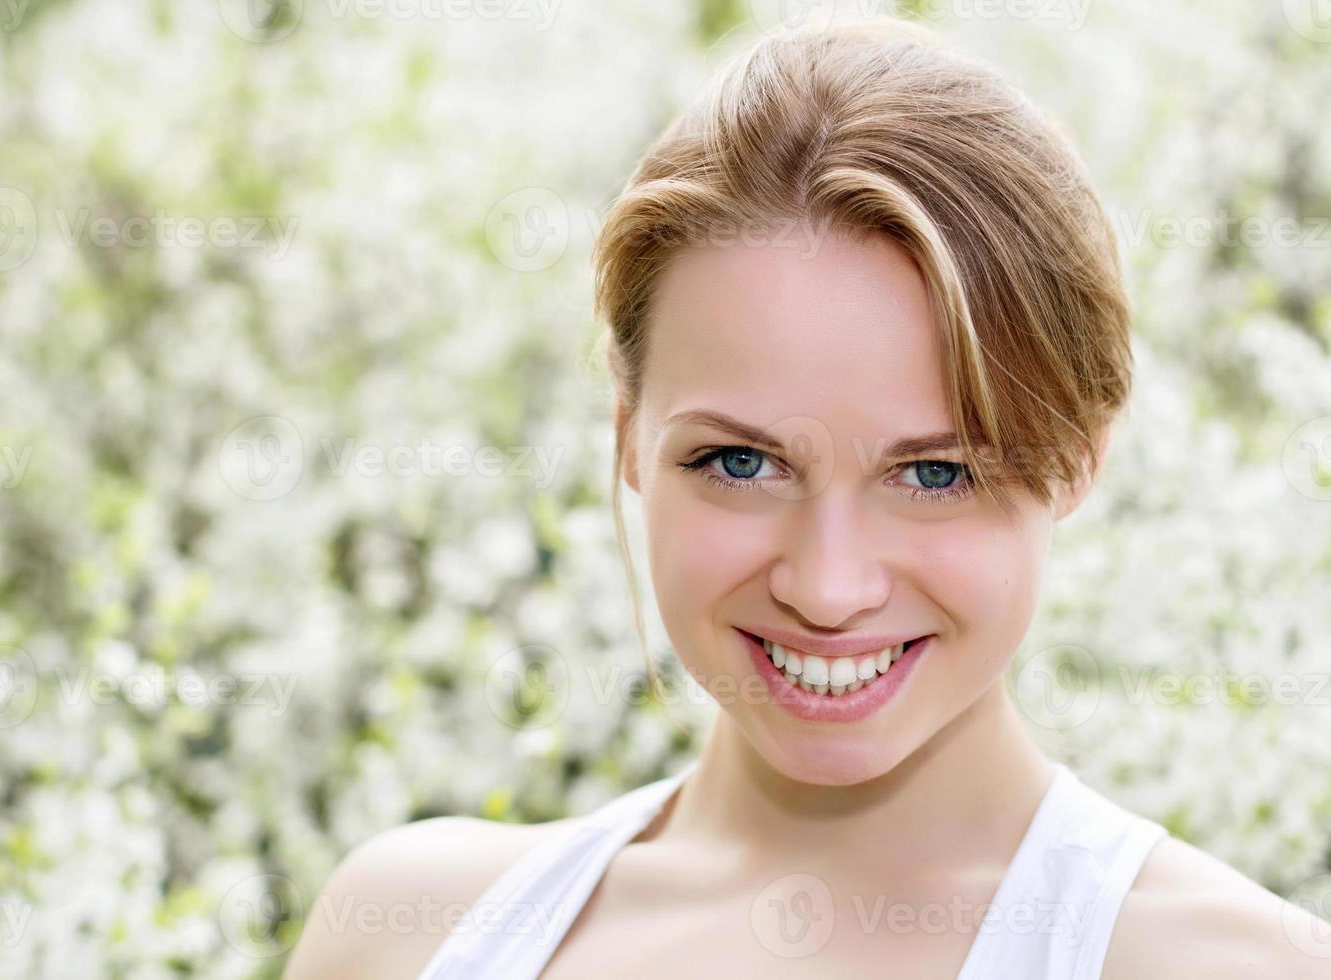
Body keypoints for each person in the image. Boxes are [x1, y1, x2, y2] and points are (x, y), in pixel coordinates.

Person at [286, 18, 1327, 978]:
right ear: (627, 435)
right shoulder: (406, 930)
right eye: (741, 463)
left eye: (936, 472)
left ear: (1079, 456)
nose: (828, 587)